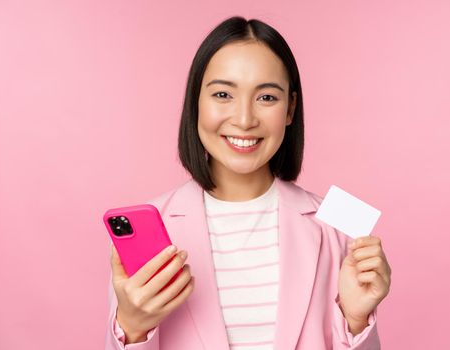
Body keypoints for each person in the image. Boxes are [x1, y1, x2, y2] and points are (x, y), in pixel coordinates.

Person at [105, 15, 391, 350]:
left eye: (266, 97)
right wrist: (132, 328)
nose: (244, 119)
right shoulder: (151, 226)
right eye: (223, 94)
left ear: (290, 108)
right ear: (196, 102)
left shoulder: (339, 226)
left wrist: (356, 322)